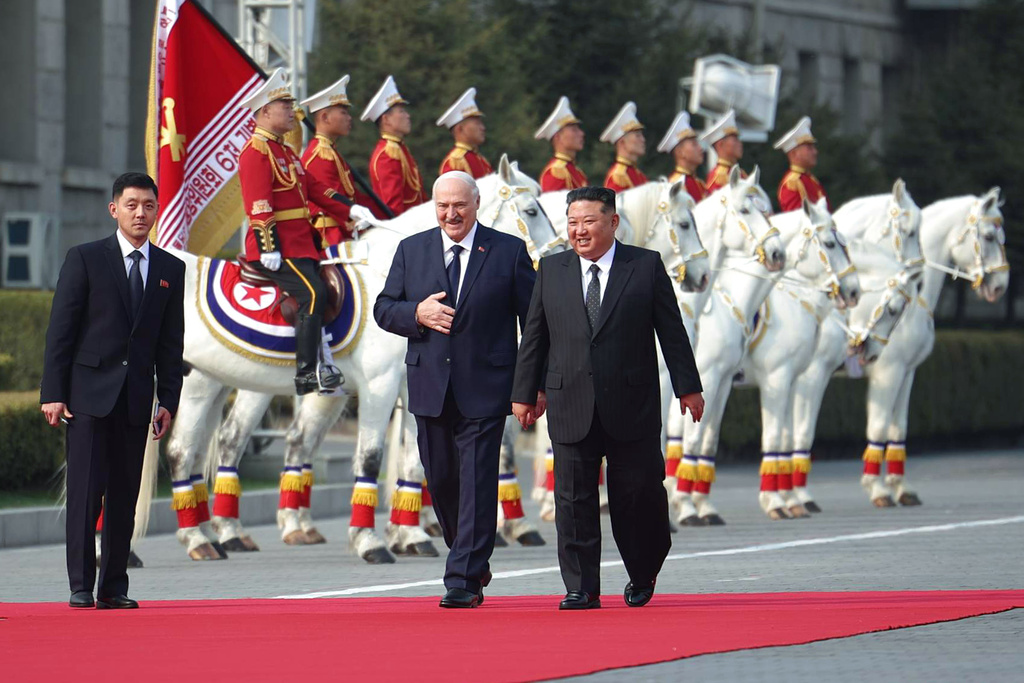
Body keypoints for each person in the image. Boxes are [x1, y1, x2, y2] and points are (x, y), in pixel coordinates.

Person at [510, 186, 704, 610]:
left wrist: (688, 386)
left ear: (613, 222)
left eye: (588, 222)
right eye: (572, 223)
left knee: (639, 495)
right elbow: (535, 336)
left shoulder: (645, 266)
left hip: (631, 404)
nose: (579, 231)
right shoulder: (552, 269)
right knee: (572, 500)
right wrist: (526, 392)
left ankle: (643, 570)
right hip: (569, 401)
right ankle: (581, 587)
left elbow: (672, 331)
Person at [374, 171, 536, 608]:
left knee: (478, 481)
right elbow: (384, 309)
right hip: (430, 388)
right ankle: (470, 554)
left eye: (459, 205)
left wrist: (532, 385)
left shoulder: (508, 251)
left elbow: (534, 324)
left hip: (486, 388)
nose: (451, 214)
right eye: (443, 206)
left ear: (477, 203)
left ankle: (462, 578)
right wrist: (417, 313)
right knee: (443, 480)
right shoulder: (412, 250)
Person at [40, 172, 185, 609]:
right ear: (114, 209)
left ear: (156, 211)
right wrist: (53, 392)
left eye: (148, 206)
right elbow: (61, 332)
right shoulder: (85, 258)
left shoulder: (170, 269)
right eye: (131, 205)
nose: (140, 213)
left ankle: (114, 588)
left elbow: (170, 342)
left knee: (124, 497)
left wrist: (168, 400)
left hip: (137, 400)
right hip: (87, 398)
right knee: (85, 496)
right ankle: (81, 586)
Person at [238, 68, 351, 395]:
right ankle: (307, 373)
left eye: (291, 105)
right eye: (285, 106)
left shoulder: (285, 151)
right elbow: (259, 204)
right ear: (265, 112)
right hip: (277, 247)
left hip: (300, 243)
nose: (293, 111)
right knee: (312, 294)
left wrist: (350, 209)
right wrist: (268, 245)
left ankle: (328, 360)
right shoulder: (256, 151)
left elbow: (316, 190)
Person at [299, 74, 378, 244]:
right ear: (325, 117)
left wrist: (380, 217)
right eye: (343, 112)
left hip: (343, 231)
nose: (349, 118)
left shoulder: (331, 152)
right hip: (330, 236)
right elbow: (331, 202)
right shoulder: (319, 156)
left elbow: (352, 196)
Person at [362, 75, 428, 217]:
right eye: (401, 111)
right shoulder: (387, 154)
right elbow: (393, 206)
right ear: (386, 119)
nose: (407, 116)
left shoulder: (400, 149)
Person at [774, 116, 830, 212]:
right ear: (794, 154)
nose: (815, 152)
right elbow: (796, 219)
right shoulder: (792, 183)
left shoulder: (811, 179)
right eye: (809, 148)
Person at [437, 87, 493, 178]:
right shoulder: (455, 162)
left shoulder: (482, 160)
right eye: (477, 123)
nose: (483, 128)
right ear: (460, 129)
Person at [536, 96, 588, 192]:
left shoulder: (578, 172)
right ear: (558, 137)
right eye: (574, 130)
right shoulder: (555, 172)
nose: (581, 134)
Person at [659, 111, 708, 204]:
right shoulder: (676, 184)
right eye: (694, 144)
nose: (700, 148)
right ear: (680, 152)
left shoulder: (700, 184)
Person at [600, 102, 648, 192]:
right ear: (622, 143)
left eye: (642, 135)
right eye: (637, 135)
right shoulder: (618, 177)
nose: (643, 139)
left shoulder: (640, 175)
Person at [702, 109, 746, 193]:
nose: (740, 143)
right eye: (735, 140)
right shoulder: (719, 177)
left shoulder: (741, 173)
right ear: (720, 144)